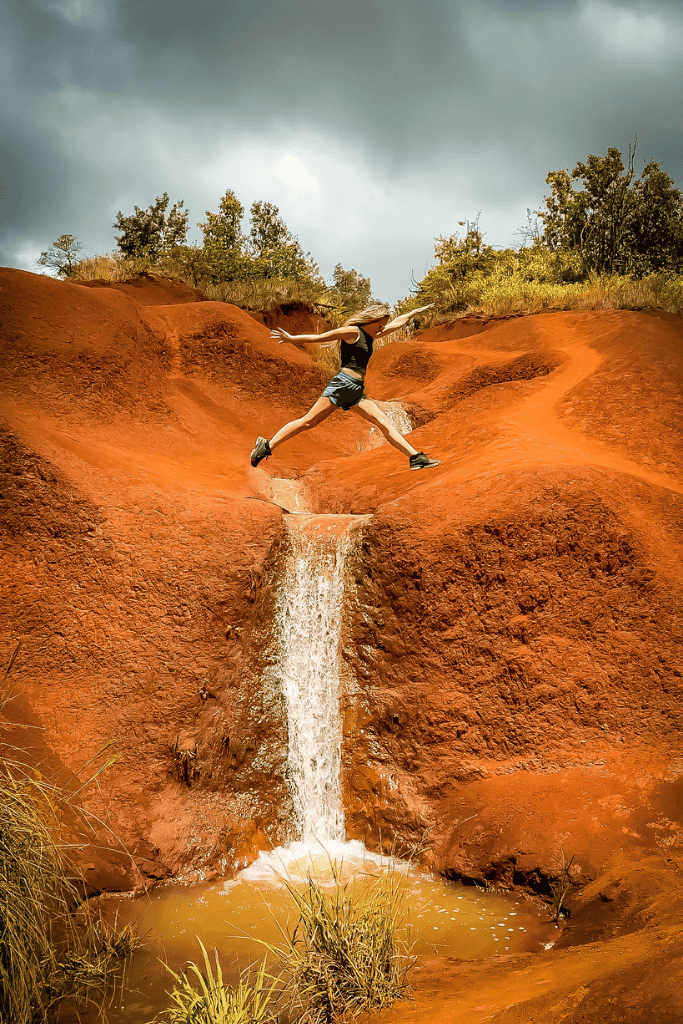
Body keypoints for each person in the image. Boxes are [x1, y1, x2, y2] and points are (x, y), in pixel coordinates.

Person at [250, 303, 440, 471]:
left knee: (384, 423)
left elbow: (396, 325)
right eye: (380, 322)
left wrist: (412, 313)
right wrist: (292, 339)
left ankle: (415, 458)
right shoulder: (353, 333)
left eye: (383, 323)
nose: (382, 326)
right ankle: (267, 445)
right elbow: (323, 337)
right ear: (370, 320)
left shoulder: (371, 335)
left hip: (356, 390)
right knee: (308, 422)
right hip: (342, 384)